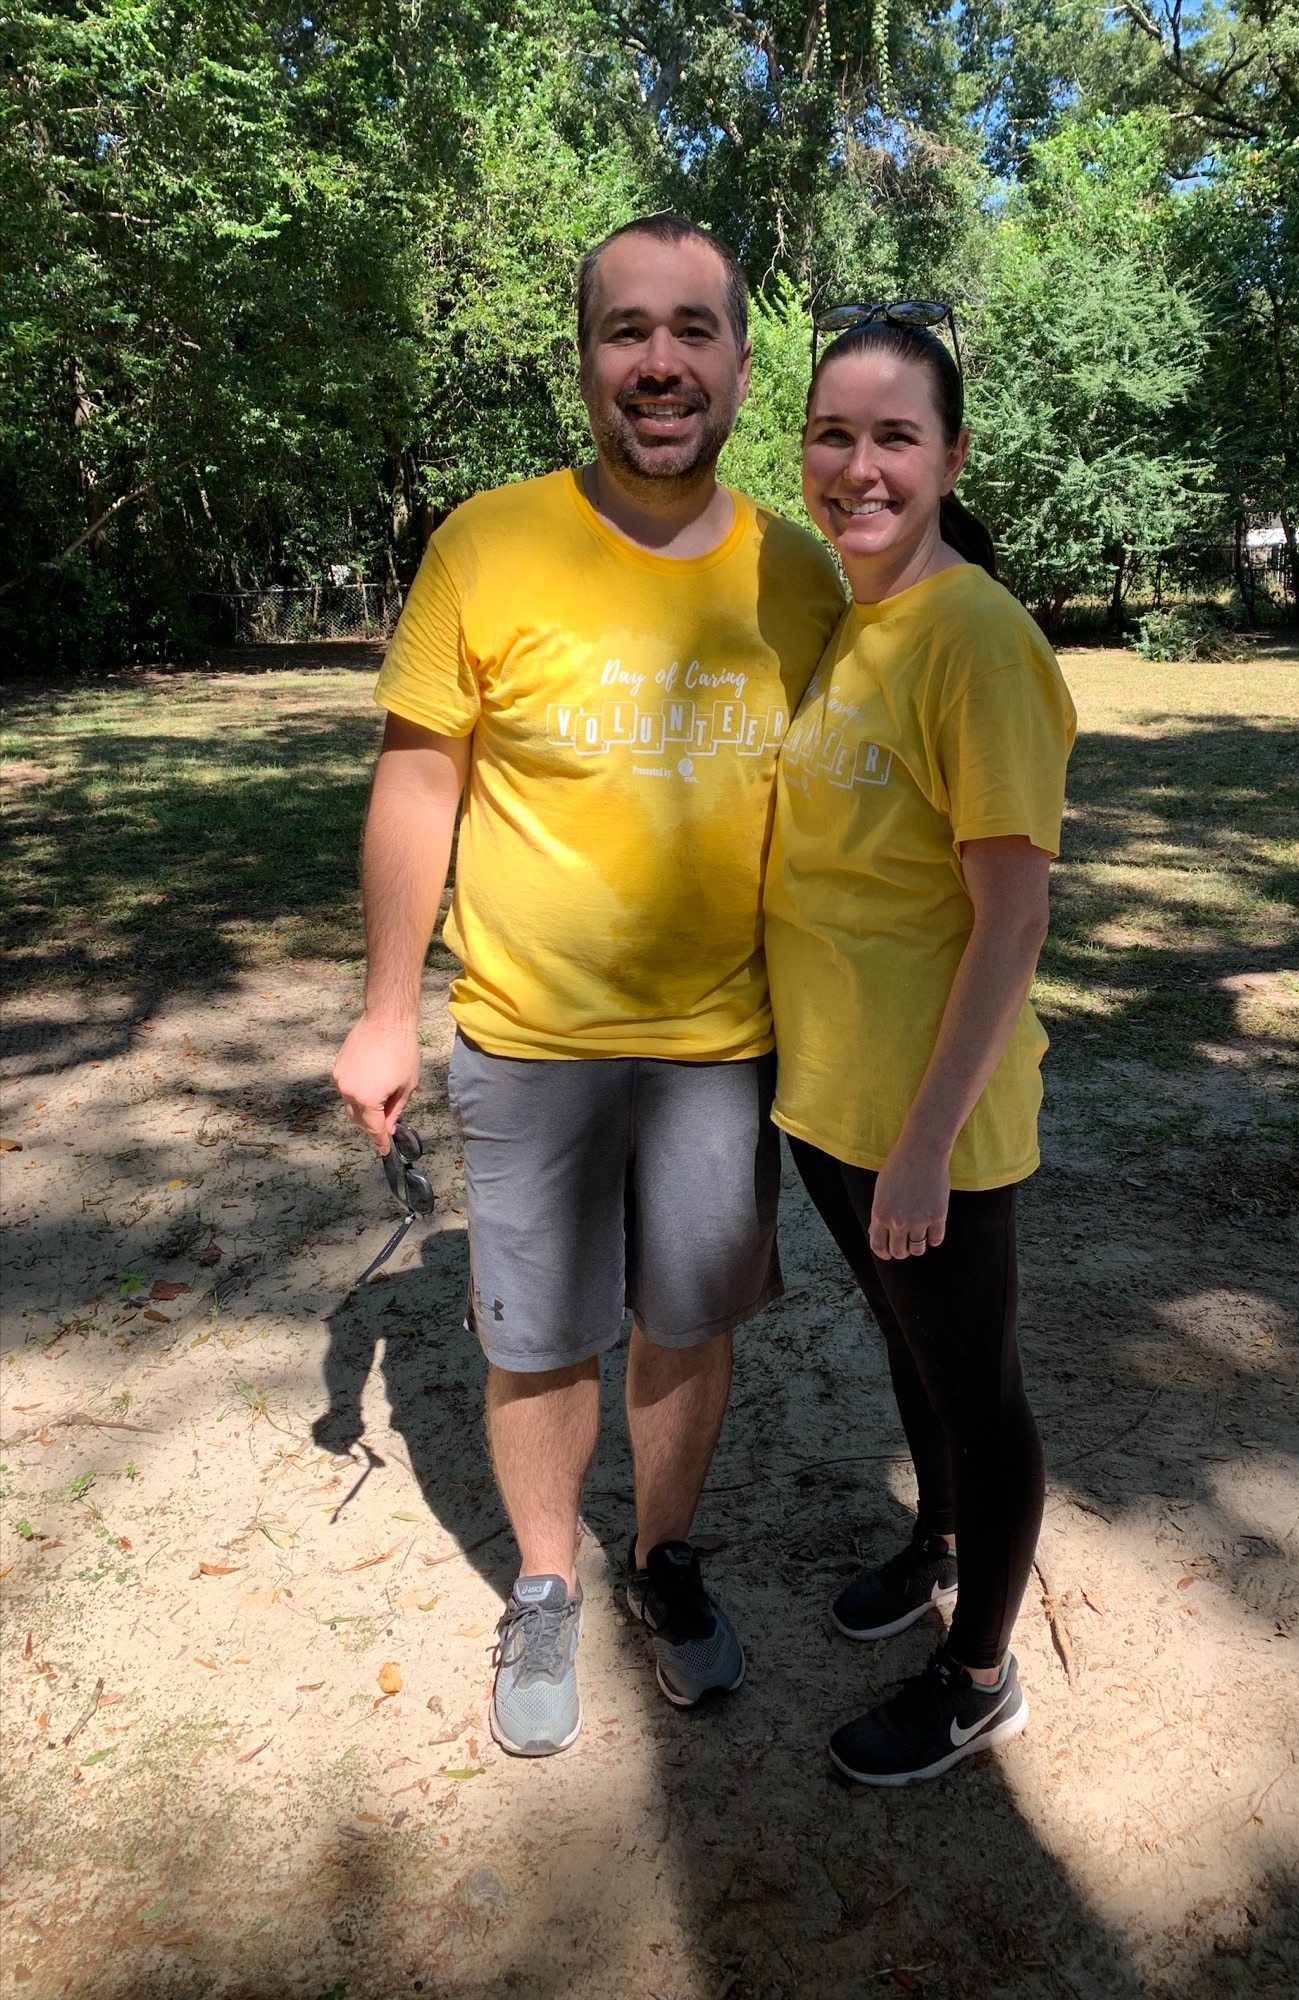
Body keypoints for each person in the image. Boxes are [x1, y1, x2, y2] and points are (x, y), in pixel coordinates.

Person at [332, 215, 845, 1758]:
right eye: (627, 330)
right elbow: (418, 786)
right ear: (583, 361)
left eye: (693, 329)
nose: (660, 361)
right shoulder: (488, 543)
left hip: (719, 1047)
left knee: (687, 1323)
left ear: (741, 365)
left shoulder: (802, 573)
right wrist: (378, 1008)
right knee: (535, 1336)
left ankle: (666, 1563)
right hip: (529, 1037)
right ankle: (547, 1585)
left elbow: (865, 797)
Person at [764, 306, 1076, 1786]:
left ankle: (978, 1673)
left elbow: (1008, 918)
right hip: (832, 1100)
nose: (859, 464)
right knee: (909, 1353)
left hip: (923, 1119)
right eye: (835, 432)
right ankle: (935, 1540)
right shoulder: (852, 618)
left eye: (894, 435)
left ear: (951, 454)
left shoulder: (974, 638)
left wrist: (924, 1142)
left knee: (976, 1386)